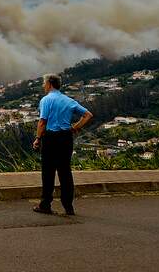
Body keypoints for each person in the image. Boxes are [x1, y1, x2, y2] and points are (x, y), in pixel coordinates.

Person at [32, 73, 93, 216]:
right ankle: (68, 206)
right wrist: (75, 127)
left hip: (51, 138)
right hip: (66, 138)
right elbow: (88, 115)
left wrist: (37, 138)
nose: (43, 86)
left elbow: (42, 122)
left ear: (49, 84)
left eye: (44, 83)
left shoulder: (46, 100)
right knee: (65, 171)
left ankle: (45, 204)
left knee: (48, 172)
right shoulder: (68, 100)